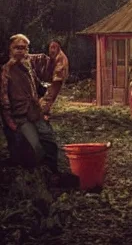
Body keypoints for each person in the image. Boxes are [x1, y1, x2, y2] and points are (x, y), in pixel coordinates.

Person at [0, 34, 78, 187]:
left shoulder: (28, 66)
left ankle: (53, 175)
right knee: (35, 147)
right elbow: (3, 100)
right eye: (17, 48)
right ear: (10, 50)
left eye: (24, 48)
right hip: (20, 116)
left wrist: (46, 99)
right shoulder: (5, 71)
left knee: (50, 142)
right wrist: (10, 122)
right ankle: (36, 179)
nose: (20, 51)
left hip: (35, 113)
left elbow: (37, 86)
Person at [29, 39, 70, 115]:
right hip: (53, 78)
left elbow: (58, 77)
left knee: (49, 95)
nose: (52, 50)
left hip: (57, 79)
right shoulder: (52, 57)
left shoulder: (61, 59)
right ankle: (42, 109)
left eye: (54, 47)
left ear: (58, 48)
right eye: (51, 47)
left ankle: (42, 110)